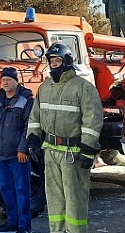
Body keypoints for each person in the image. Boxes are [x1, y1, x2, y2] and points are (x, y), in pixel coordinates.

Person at [28, 43, 103, 233]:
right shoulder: (44, 88)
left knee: (74, 201)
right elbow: (35, 117)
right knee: (54, 201)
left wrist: (88, 149)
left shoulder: (83, 88)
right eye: (51, 60)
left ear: (67, 61)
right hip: (50, 152)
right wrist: (33, 139)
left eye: (58, 60)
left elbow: (92, 120)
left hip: (73, 154)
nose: (54, 64)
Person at [0, 67, 34, 233]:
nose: (5, 82)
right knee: (5, 188)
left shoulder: (26, 100)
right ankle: (12, 221)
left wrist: (23, 149)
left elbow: (29, 127)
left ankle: (24, 225)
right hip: (0, 154)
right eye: (3, 79)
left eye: (8, 79)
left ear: (16, 81)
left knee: (22, 190)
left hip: (18, 156)